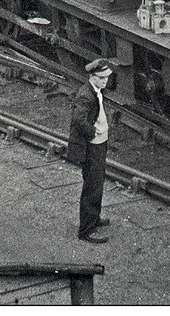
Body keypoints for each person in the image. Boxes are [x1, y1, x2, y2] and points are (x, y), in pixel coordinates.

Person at [67, 58, 115, 243]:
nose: (105, 82)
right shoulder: (85, 95)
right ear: (92, 76)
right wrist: (93, 132)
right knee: (92, 186)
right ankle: (86, 230)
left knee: (97, 183)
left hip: (99, 144)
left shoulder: (96, 91)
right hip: (92, 147)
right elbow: (78, 120)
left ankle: (94, 218)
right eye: (102, 78)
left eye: (107, 78)